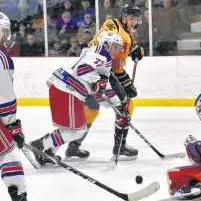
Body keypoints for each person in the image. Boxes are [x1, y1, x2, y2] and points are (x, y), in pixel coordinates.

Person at [29, 31, 128, 166]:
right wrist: (96, 83)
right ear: (107, 45)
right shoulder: (102, 54)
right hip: (68, 89)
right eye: (116, 46)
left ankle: (48, 152)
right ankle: (39, 144)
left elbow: (102, 89)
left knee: (70, 129)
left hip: (64, 87)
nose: (119, 50)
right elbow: (82, 69)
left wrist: (117, 105)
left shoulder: (102, 56)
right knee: (76, 131)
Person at [65, 3, 144, 161]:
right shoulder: (117, 30)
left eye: (135, 19)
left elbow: (118, 50)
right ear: (124, 17)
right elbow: (111, 59)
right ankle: (119, 148)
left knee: (92, 110)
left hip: (95, 70)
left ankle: (73, 146)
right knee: (126, 106)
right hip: (97, 72)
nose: (133, 21)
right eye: (130, 18)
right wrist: (126, 82)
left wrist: (134, 48)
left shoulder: (119, 28)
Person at [0, 12, 42, 201]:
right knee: (8, 154)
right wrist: (13, 128)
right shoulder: (2, 61)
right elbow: (5, 98)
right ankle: (20, 200)